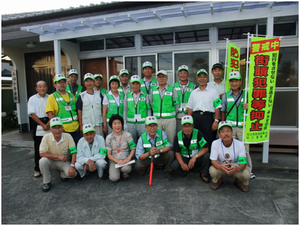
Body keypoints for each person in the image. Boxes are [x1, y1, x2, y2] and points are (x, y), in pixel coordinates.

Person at [221, 71, 255, 179]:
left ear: (240, 81)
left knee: (245, 149)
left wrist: (249, 107)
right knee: (230, 149)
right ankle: (231, 168)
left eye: (236, 81)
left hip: (243, 127)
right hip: (230, 127)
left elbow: (254, 110)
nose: (234, 83)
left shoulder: (246, 94)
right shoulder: (225, 95)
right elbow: (223, 111)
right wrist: (223, 126)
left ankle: (248, 170)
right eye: (232, 81)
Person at [209, 121, 250, 192]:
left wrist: (237, 168)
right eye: (223, 132)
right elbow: (213, 160)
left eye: (228, 131)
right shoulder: (215, 143)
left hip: (235, 168)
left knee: (246, 173)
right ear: (219, 134)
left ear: (232, 132)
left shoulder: (240, 144)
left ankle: (239, 181)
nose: (226, 134)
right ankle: (218, 181)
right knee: (212, 170)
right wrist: (219, 167)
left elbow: (243, 163)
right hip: (222, 168)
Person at [187, 69, 222, 151]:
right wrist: (188, 122)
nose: (202, 78)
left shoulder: (214, 92)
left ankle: (209, 161)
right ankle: (197, 159)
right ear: (197, 79)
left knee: (208, 139)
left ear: (207, 78)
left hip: (208, 118)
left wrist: (216, 121)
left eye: (204, 76)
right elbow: (190, 108)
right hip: (195, 118)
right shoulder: (193, 92)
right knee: (196, 138)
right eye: (200, 77)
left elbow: (217, 107)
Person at [39, 117, 77, 192]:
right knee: (42, 161)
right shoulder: (46, 137)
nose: (57, 130)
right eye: (54, 128)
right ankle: (46, 182)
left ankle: (63, 174)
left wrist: (72, 166)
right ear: (50, 129)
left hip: (64, 162)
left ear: (62, 128)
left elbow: (74, 152)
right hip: (51, 161)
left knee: (72, 174)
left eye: (59, 127)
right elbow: (41, 154)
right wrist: (57, 156)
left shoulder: (68, 136)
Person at [171, 115, 210, 182]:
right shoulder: (178, 135)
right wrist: (182, 163)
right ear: (182, 127)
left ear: (193, 126)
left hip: (196, 157)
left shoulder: (198, 133)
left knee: (207, 156)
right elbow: (177, 152)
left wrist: (195, 157)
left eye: (189, 126)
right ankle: (185, 169)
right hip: (185, 158)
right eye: (185, 126)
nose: (187, 128)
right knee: (174, 165)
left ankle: (203, 174)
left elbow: (205, 148)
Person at [46, 74, 80, 145]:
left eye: (64, 82)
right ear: (55, 85)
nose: (62, 84)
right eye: (59, 82)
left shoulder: (71, 95)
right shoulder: (52, 97)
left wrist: (79, 125)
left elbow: (76, 111)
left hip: (75, 128)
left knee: (76, 149)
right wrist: (57, 128)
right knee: (65, 150)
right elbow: (50, 114)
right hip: (63, 130)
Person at [27, 80, 50, 178]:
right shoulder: (32, 99)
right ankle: (38, 169)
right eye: (39, 86)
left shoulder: (50, 97)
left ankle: (49, 167)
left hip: (49, 122)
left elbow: (54, 112)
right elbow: (32, 114)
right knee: (38, 147)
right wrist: (42, 124)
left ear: (47, 87)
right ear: (36, 89)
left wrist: (48, 123)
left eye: (44, 86)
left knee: (50, 145)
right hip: (37, 123)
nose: (42, 88)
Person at [149, 70, 179, 143]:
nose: (161, 78)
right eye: (159, 77)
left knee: (170, 140)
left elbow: (177, 105)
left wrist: (172, 114)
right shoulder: (153, 90)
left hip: (170, 120)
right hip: (157, 120)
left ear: (167, 78)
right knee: (158, 140)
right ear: (157, 78)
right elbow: (151, 104)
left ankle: (170, 154)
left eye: (163, 77)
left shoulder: (172, 89)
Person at [105, 114, 136, 181]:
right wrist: (118, 161)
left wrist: (128, 159)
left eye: (119, 123)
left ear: (122, 124)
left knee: (126, 169)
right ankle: (118, 171)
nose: (117, 126)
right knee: (114, 178)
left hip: (126, 160)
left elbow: (133, 149)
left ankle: (124, 173)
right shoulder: (109, 138)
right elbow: (109, 154)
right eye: (115, 123)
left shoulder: (128, 135)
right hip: (114, 161)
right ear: (111, 125)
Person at [123, 75, 151, 143]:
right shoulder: (127, 95)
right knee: (132, 142)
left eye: (137, 83)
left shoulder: (145, 95)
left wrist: (148, 122)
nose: (135, 86)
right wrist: (125, 123)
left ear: (140, 85)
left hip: (142, 123)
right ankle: (133, 154)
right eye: (133, 83)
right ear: (130, 85)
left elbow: (148, 109)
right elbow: (125, 110)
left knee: (145, 141)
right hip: (131, 124)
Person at [174, 65, 196, 133]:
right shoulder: (173, 86)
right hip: (177, 117)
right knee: (178, 135)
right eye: (181, 73)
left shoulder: (194, 86)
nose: (182, 75)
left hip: (189, 115)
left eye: (185, 73)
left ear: (188, 74)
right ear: (178, 75)